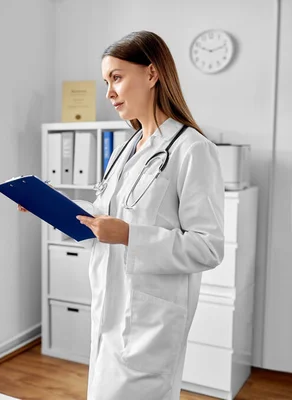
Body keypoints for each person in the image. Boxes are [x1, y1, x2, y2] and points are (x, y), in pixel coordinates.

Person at [21, 31, 224, 399]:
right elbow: (105, 218)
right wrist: (48, 204)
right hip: (110, 308)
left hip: (151, 320)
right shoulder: (125, 148)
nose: (109, 93)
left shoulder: (193, 149)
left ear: (151, 74)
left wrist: (130, 235)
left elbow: (208, 248)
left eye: (116, 77)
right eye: (106, 81)